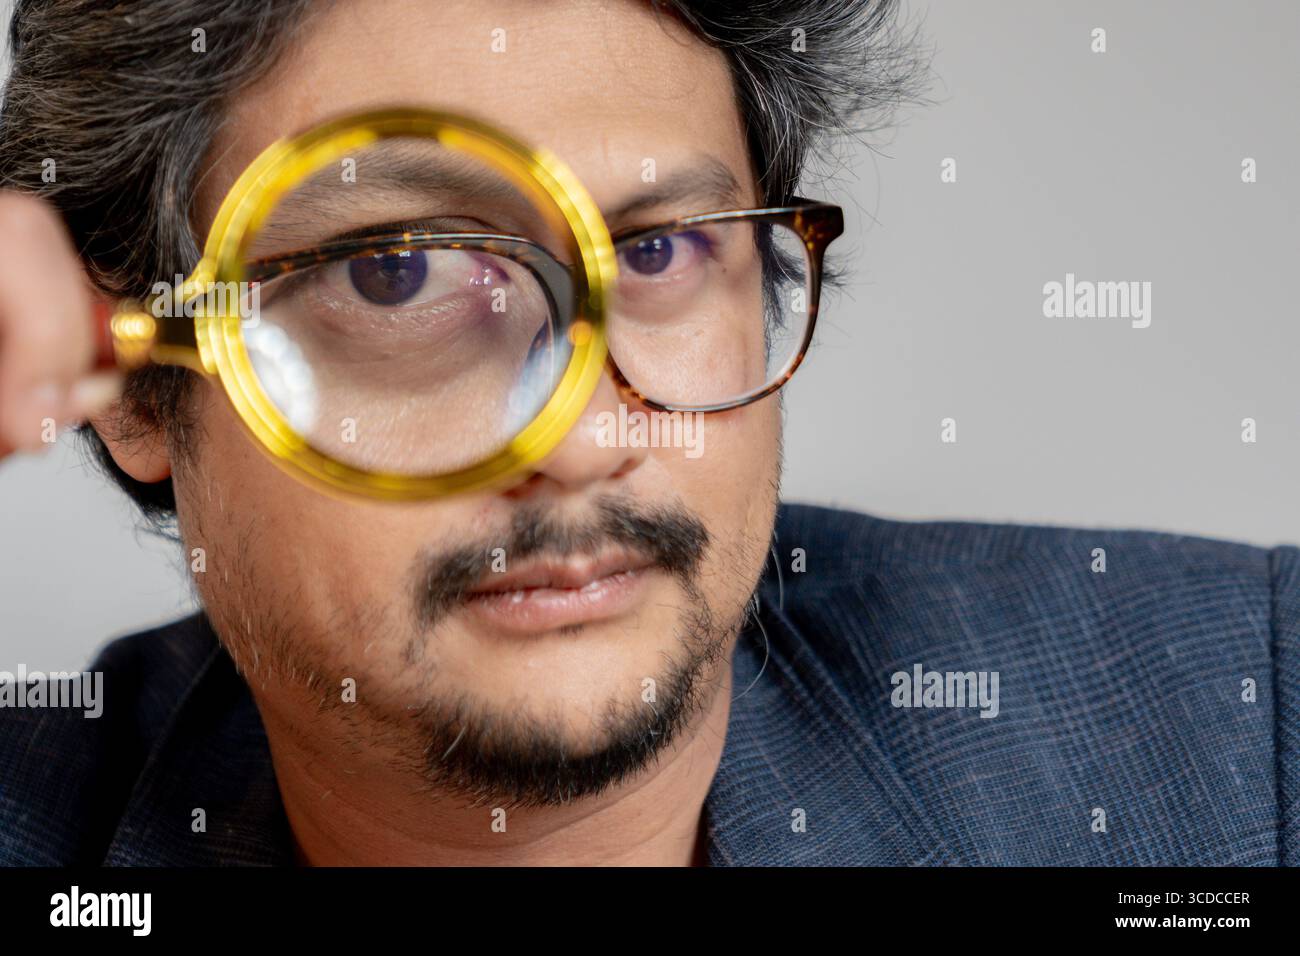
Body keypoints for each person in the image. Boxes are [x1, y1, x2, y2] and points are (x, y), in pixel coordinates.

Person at [0, 0, 1294, 867]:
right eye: (397, 274)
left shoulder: (1240, 719)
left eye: (661, 249)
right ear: (132, 385)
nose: (577, 440)